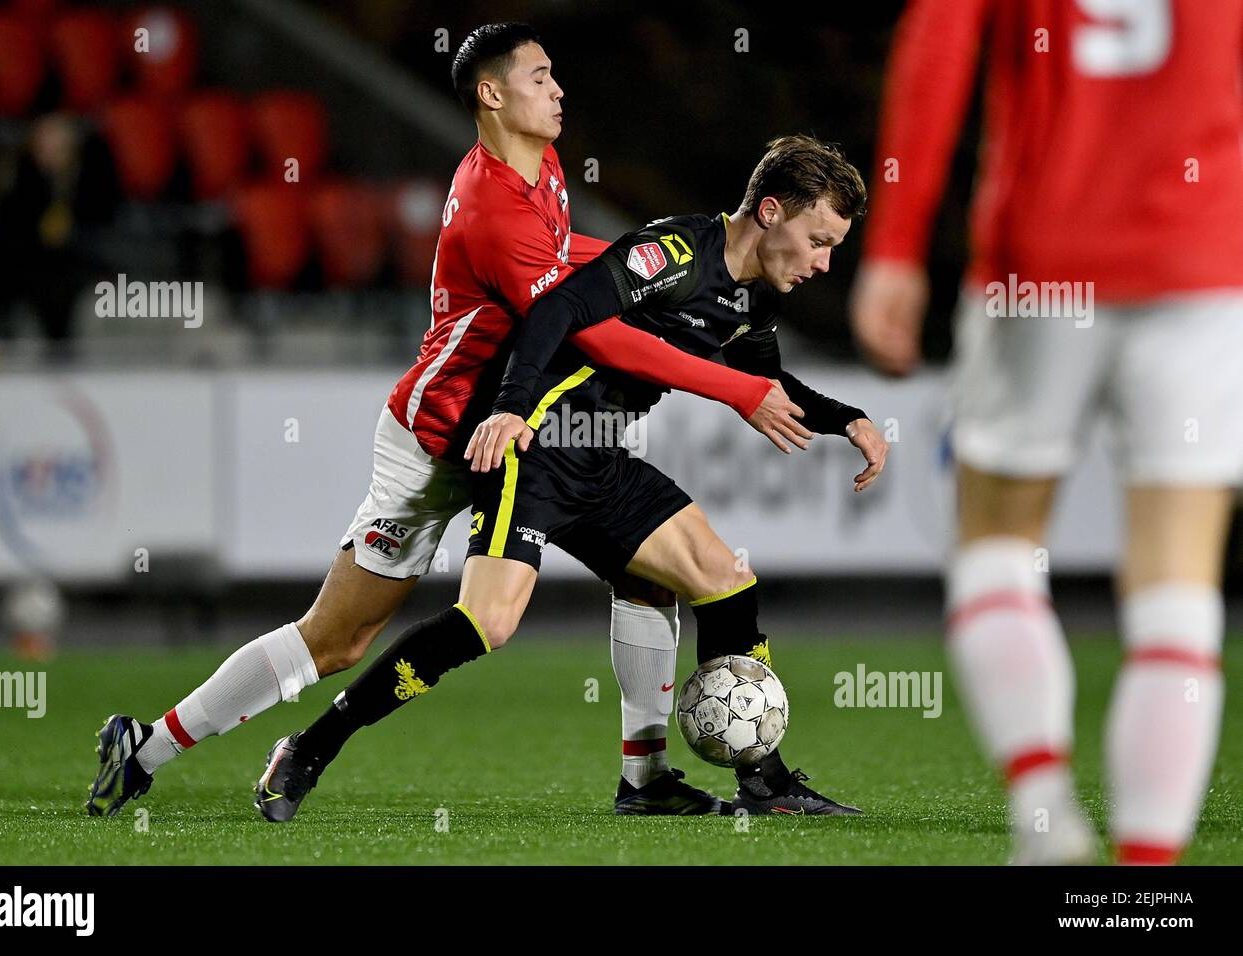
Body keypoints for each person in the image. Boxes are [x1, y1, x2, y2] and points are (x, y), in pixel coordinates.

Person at [86, 23, 806, 818]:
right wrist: (731, 382)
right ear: (491, 96)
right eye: (539, 77)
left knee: (648, 573)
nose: (559, 89)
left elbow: (570, 254)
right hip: (435, 441)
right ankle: (149, 745)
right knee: (334, 640)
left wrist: (658, 267)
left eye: (555, 73)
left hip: (512, 436)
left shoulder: (543, 165)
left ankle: (647, 779)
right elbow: (594, 331)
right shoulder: (490, 207)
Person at [254, 134, 887, 822]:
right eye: (819, 240)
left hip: (600, 459)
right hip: (538, 450)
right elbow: (556, 307)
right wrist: (513, 408)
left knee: (723, 579)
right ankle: (308, 749)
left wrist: (848, 419)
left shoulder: (754, 298)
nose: (824, 263)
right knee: (487, 623)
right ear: (770, 212)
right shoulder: (673, 256)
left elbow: (763, 383)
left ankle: (724, 782)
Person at [851, 0, 1243, 864]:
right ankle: (1145, 883)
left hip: (1043, 261)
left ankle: (1045, 815)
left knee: (997, 543)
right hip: (1204, 265)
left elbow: (938, 46)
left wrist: (896, 244)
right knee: (1179, 585)